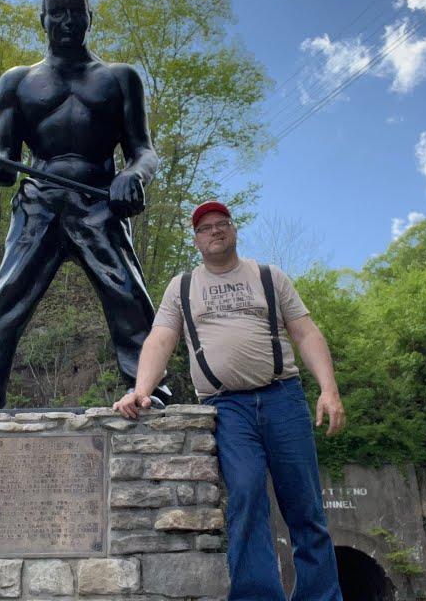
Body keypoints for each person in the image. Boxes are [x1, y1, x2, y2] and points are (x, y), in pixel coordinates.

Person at [113, 200, 346, 601]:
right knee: (246, 496)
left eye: (222, 224)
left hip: (283, 398)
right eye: (206, 228)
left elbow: (306, 333)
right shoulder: (182, 286)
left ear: (234, 231)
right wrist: (141, 388)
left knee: (305, 505)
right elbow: (161, 339)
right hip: (227, 407)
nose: (215, 231)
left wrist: (329, 390)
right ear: (197, 240)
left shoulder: (269, 277)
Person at [0, 0, 169, 411]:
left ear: (91, 17)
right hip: (39, 200)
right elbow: (4, 165)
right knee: (7, 294)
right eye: (57, 12)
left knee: (127, 293)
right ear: (43, 20)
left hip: (100, 199)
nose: (67, 21)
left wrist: (133, 175)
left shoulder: (120, 78)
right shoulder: (16, 83)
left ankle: (148, 387)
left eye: (76, 11)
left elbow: (144, 150)